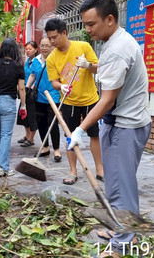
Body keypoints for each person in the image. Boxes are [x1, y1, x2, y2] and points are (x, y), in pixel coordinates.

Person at [67, 0, 152, 257]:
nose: (88, 30)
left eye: (92, 24)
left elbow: (106, 100)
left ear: (110, 19)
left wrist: (81, 129)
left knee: (120, 186)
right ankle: (123, 230)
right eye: (85, 24)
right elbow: (106, 76)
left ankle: (121, 245)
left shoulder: (116, 49)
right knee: (118, 184)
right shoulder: (113, 42)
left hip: (126, 126)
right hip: (121, 122)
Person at [45, 17, 104, 185]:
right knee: (70, 137)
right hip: (69, 101)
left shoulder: (83, 47)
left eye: (54, 37)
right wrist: (60, 87)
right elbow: (54, 82)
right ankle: (73, 171)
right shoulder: (51, 58)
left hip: (90, 99)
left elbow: (97, 67)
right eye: (49, 38)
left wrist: (87, 65)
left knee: (94, 135)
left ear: (64, 33)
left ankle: (100, 169)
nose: (52, 41)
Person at [0, 38, 26, 177]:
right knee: (6, 134)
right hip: (8, 102)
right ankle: (2, 167)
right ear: (14, 49)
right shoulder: (18, 66)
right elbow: (21, 88)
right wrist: (23, 105)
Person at [25, 37, 62, 161]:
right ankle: (45, 147)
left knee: (53, 123)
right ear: (39, 47)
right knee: (41, 123)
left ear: (52, 46)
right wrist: (27, 87)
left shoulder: (55, 59)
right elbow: (33, 75)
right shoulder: (36, 60)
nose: (45, 48)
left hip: (54, 95)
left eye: (47, 45)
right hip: (39, 96)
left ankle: (56, 150)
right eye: (42, 45)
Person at [17, 41, 39, 147]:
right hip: (24, 90)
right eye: (26, 49)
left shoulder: (37, 61)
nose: (28, 51)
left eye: (30, 49)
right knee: (23, 114)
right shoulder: (27, 61)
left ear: (35, 50)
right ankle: (27, 135)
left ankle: (31, 138)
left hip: (32, 92)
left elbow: (35, 76)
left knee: (31, 115)